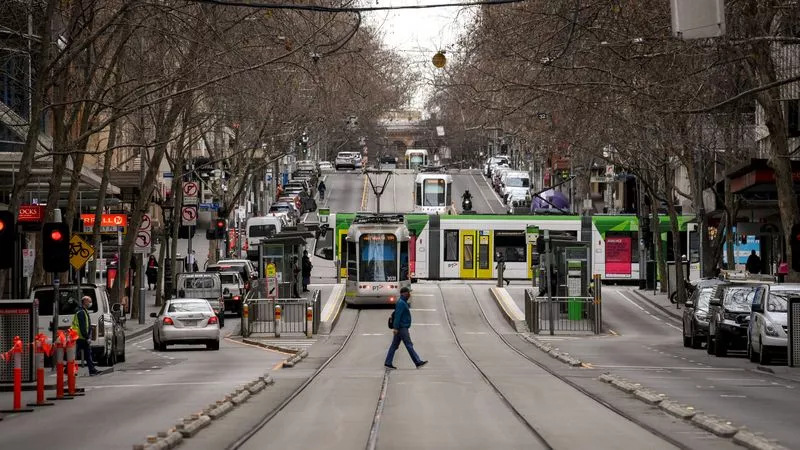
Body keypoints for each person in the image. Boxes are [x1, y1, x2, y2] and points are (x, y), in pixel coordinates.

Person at [384, 287, 427, 370]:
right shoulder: (401, 303)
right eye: (408, 293)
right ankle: (417, 362)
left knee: (394, 345)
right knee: (409, 344)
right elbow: (397, 316)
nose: (409, 294)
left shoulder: (403, 302)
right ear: (403, 293)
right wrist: (396, 328)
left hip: (401, 327)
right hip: (402, 328)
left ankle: (388, 362)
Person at [72, 296, 98, 376]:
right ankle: (69, 369)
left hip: (82, 337)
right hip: (79, 337)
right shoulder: (81, 312)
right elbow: (82, 326)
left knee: (87, 354)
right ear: (85, 302)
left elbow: (86, 325)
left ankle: (92, 369)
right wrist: (87, 337)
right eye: (89, 301)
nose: (90, 303)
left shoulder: (83, 311)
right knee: (74, 355)